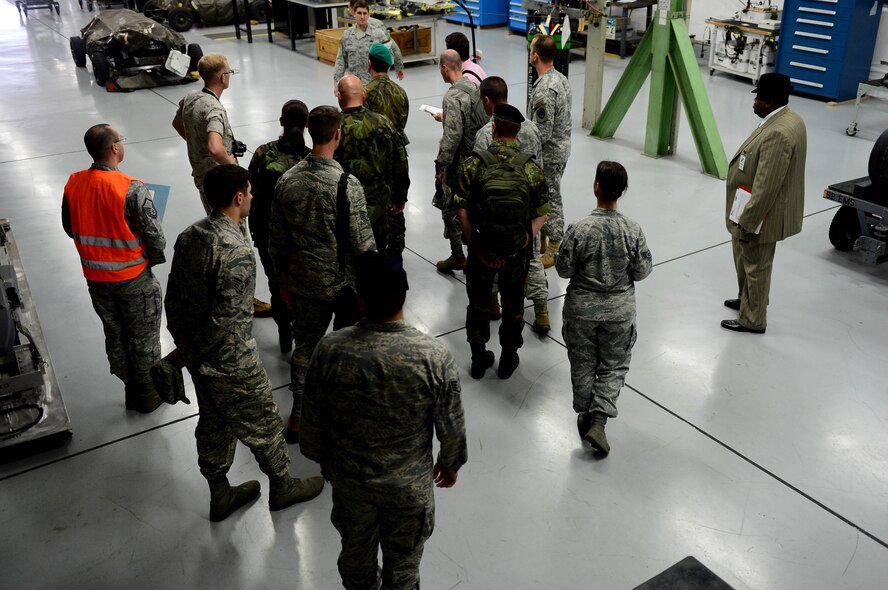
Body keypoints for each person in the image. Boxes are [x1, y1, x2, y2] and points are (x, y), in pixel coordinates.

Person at [164, 165, 325, 521]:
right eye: (249, 192)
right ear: (239, 198)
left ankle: (220, 493)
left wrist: (185, 349)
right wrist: (186, 353)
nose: (252, 196)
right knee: (264, 421)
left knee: (214, 422)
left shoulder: (191, 235)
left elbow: (173, 299)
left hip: (199, 358)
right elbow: (227, 323)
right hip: (231, 360)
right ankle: (282, 485)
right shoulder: (235, 250)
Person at [301, 251, 468, 590]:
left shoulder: (331, 350)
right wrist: (450, 463)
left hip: (352, 484)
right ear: (404, 294)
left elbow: (313, 417)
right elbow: (452, 423)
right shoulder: (433, 356)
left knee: (356, 557)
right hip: (408, 489)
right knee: (404, 565)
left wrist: (322, 458)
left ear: (360, 300)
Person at [269, 106, 376, 445]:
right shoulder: (347, 185)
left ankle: (300, 415)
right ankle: (342, 413)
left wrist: (283, 285)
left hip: (303, 283)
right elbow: (363, 245)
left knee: (305, 348)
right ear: (338, 135)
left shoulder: (287, 181)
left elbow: (277, 242)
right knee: (345, 350)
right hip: (343, 287)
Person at [62, 124, 166, 414]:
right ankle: (148, 394)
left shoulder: (73, 183)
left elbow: (69, 228)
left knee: (116, 334)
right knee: (143, 338)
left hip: (96, 279)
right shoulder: (131, 187)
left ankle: (129, 388)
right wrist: (149, 260)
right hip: (133, 279)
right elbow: (155, 239)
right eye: (121, 139)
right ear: (114, 148)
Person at [556, 161, 652, 455]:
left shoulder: (578, 228)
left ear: (596, 187)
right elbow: (642, 271)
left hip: (581, 311)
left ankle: (585, 414)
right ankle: (599, 421)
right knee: (613, 365)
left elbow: (562, 269)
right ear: (622, 191)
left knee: (582, 362)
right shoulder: (632, 230)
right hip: (619, 313)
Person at [171, 53, 271, 316]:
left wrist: (198, 146)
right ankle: (243, 299)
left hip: (204, 180)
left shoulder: (191, 98)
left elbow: (177, 123)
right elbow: (216, 148)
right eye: (229, 72)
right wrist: (234, 168)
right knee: (238, 242)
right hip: (224, 183)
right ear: (222, 77)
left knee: (218, 231)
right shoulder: (214, 109)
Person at [455, 104, 548, 379]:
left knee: (478, 302)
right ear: (517, 132)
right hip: (516, 254)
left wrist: (477, 246)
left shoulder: (473, 164)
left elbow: (461, 210)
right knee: (513, 304)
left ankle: (478, 358)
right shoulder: (530, 168)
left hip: (481, 248)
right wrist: (520, 243)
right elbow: (543, 213)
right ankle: (508, 360)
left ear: (493, 128)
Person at [722, 73, 807, 334]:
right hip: (751, 208)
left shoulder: (778, 133)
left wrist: (748, 220)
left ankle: (753, 319)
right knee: (745, 258)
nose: (754, 103)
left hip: (761, 215)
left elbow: (766, 186)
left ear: (769, 101)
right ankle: (747, 300)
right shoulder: (789, 118)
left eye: (757, 98)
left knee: (756, 265)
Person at [473, 76, 550, 335]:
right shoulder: (530, 127)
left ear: (487, 100)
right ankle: (541, 309)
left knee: (493, 257)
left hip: (496, 210)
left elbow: (479, 173)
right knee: (532, 256)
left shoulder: (486, 133)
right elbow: (539, 167)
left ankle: (494, 303)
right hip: (525, 206)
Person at [247, 100, 311, 353]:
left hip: (268, 234)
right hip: (301, 236)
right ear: (306, 125)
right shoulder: (310, 159)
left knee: (277, 283)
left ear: (281, 121)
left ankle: (284, 334)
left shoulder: (263, 154)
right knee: (302, 285)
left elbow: (250, 192)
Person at [335, 74, 410, 259]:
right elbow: (400, 162)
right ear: (364, 94)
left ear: (339, 96)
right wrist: (400, 198)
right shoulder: (383, 123)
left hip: (346, 209)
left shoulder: (334, 128)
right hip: (381, 208)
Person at [434, 49, 486, 273]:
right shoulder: (475, 88)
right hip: (479, 159)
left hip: (460, 164)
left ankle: (458, 255)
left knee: (449, 206)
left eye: (440, 68)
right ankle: (475, 253)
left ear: (445, 68)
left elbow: (452, 136)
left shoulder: (452, 96)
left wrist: (441, 165)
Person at [529, 34, 572, 269]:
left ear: (536, 56)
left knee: (550, 197)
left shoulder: (545, 88)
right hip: (560, 148)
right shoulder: (560, 78)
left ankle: (555, 246)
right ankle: (544, 240)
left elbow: (541, 132)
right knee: (544, 195)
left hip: (549, 154)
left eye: (531, 50)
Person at [334, 0, 405, 86]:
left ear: (369, 14)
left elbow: (390, 54)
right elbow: (340, 61)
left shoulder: (378, 34)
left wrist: (397, 67)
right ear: (354, 14)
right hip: (354, 86)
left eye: (364, 13)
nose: (362, 16)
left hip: (374, 85)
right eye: (359, 13)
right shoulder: (347, 35)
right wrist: (337, 84)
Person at [365, 42, 409, 145]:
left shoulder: (365, 92)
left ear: (369, 63)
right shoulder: (401, 92)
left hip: (375, 149)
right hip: (397, 149)